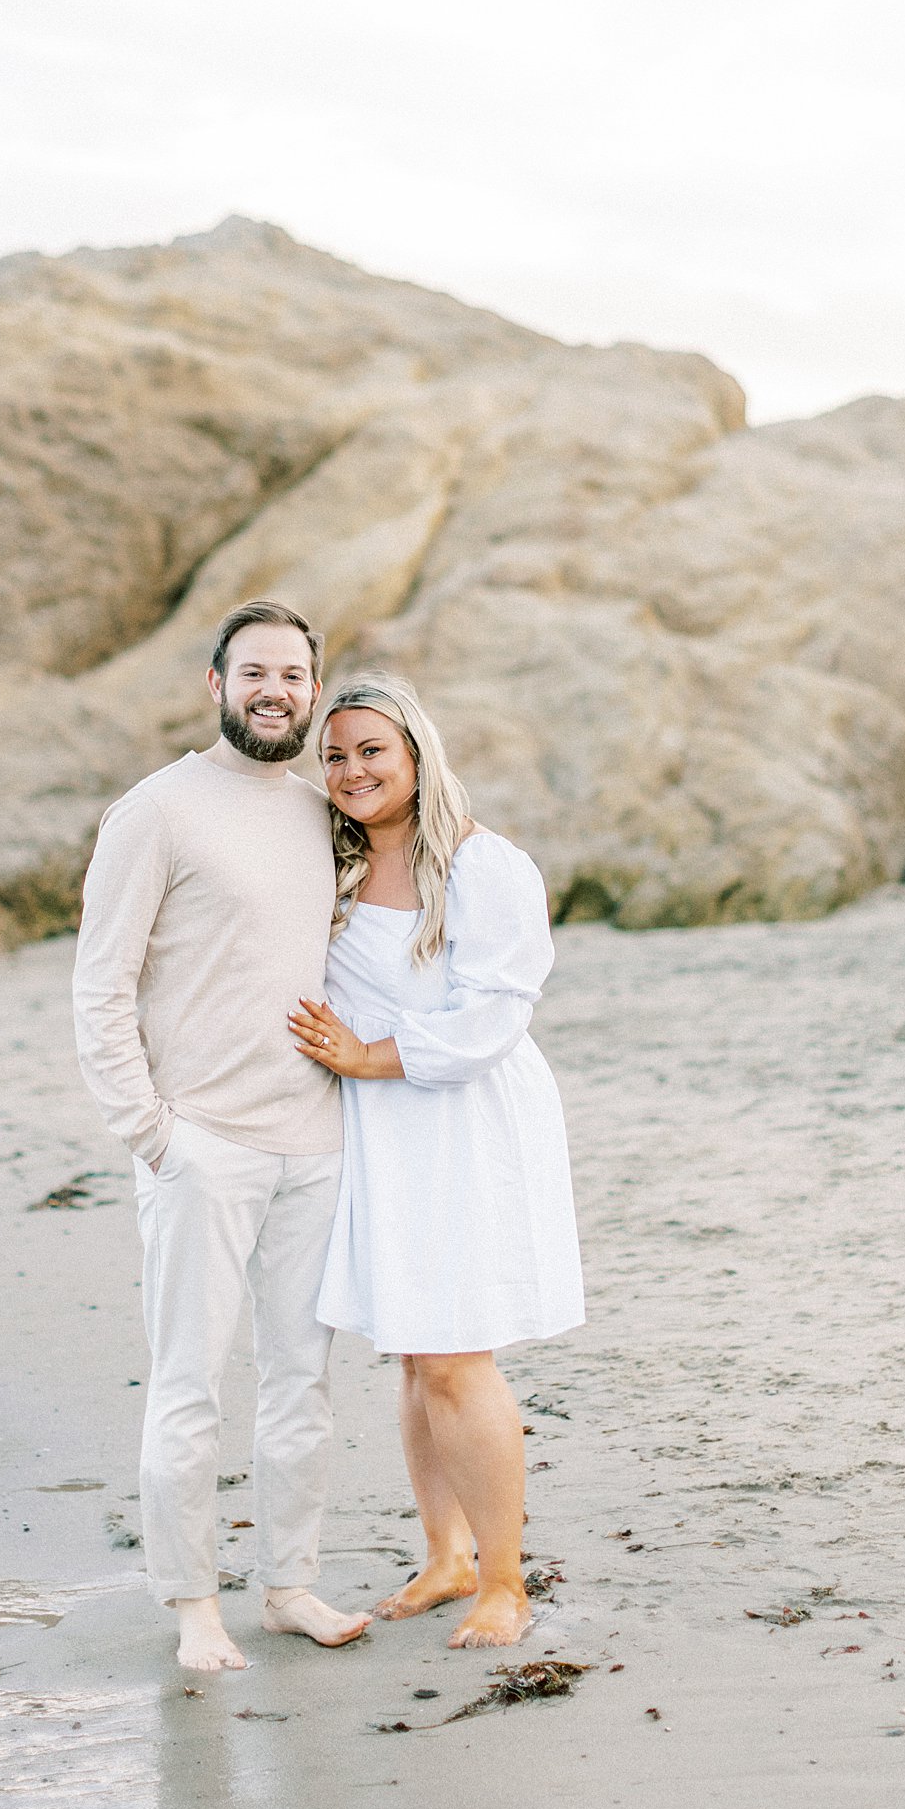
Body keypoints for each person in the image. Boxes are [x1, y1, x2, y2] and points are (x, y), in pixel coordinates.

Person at [71, 600, 372, 1672]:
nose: (274, 688)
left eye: (292, 673)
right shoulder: (154, 811)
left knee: (302, 1378)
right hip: (200, 1145)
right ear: (215, 684)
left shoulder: (316, 810)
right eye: (254, 671)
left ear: (310, 687)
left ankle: (287, 1581)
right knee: (189, 1380)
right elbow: (99, 982)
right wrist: (150, 1134)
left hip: (315, 1144)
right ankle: (193, 1602)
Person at [288, 675, 584, 1649]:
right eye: (333, 754)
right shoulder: (326, 866)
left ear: (416, 752)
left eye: (371, 749)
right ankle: (445, 1555)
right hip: (383, 1129)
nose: (351, 770)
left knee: (458, 1353)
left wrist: (370, 1055)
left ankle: (504, 1579)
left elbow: (495, 1012)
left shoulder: (479, 864)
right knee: (415, 1351)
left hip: (461, 1118)